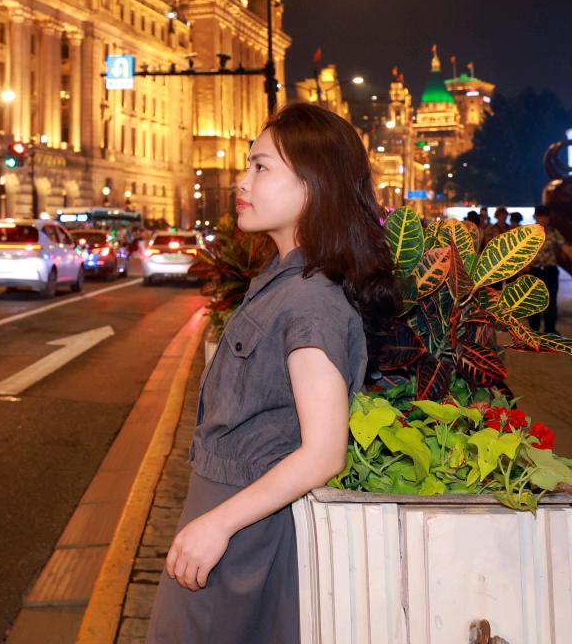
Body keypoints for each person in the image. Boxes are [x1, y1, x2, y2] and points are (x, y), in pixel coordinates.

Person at [146, 102, 395, 643]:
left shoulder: (309, 301)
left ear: (313, 186)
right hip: (231, 519)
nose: (242, 180)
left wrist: (217, 524)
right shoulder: (282, 279)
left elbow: (324, 452)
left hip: (245, 534)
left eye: (261, 168)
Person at [527, 205, 572, 335]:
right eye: (540, 216)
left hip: (550, 271)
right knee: (534, 301)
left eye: (545, 216)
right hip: (534, 271)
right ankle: (534, 330)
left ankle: (549, 330)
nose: (543, 219)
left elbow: (565, 247)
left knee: (551, 301)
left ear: (548, 217)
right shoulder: (529, 232)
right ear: (535, 216)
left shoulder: (553, 232)